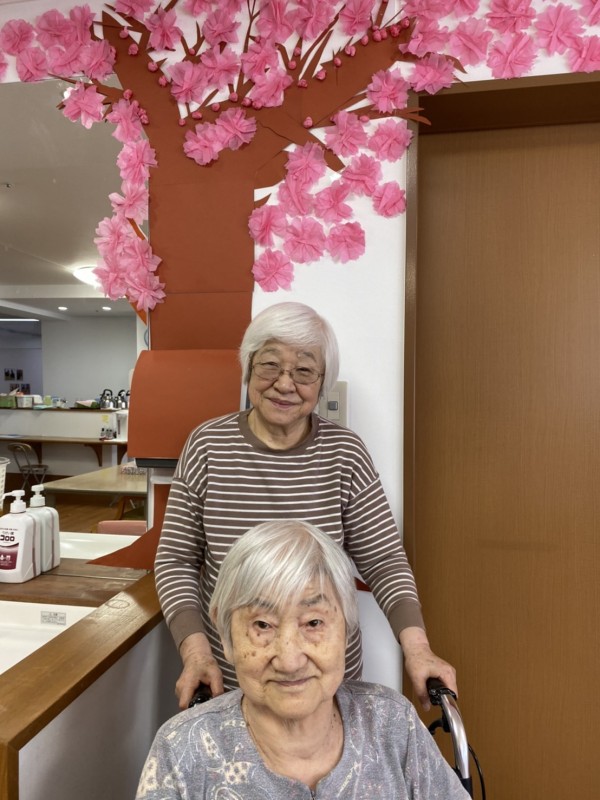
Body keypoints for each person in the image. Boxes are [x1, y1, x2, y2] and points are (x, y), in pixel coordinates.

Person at [154, 301, 456, 709]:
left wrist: (417, 649)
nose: (284, 384)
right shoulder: (207, 446)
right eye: (269, 365)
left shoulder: (344, 453)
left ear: (322, 382)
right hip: (233, 676)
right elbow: (176, 560)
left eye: (303, 371)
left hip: (324, 680)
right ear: (247, 369)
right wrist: (196, 654)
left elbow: (384, 560)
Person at [138, 521, 470, 799]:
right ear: (225, 634)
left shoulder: (393, 724)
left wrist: (418, 647)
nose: (290, 660)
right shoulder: (181, 752)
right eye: (262, 625)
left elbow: (385, 558)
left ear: (347, 627)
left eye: (313, 622)